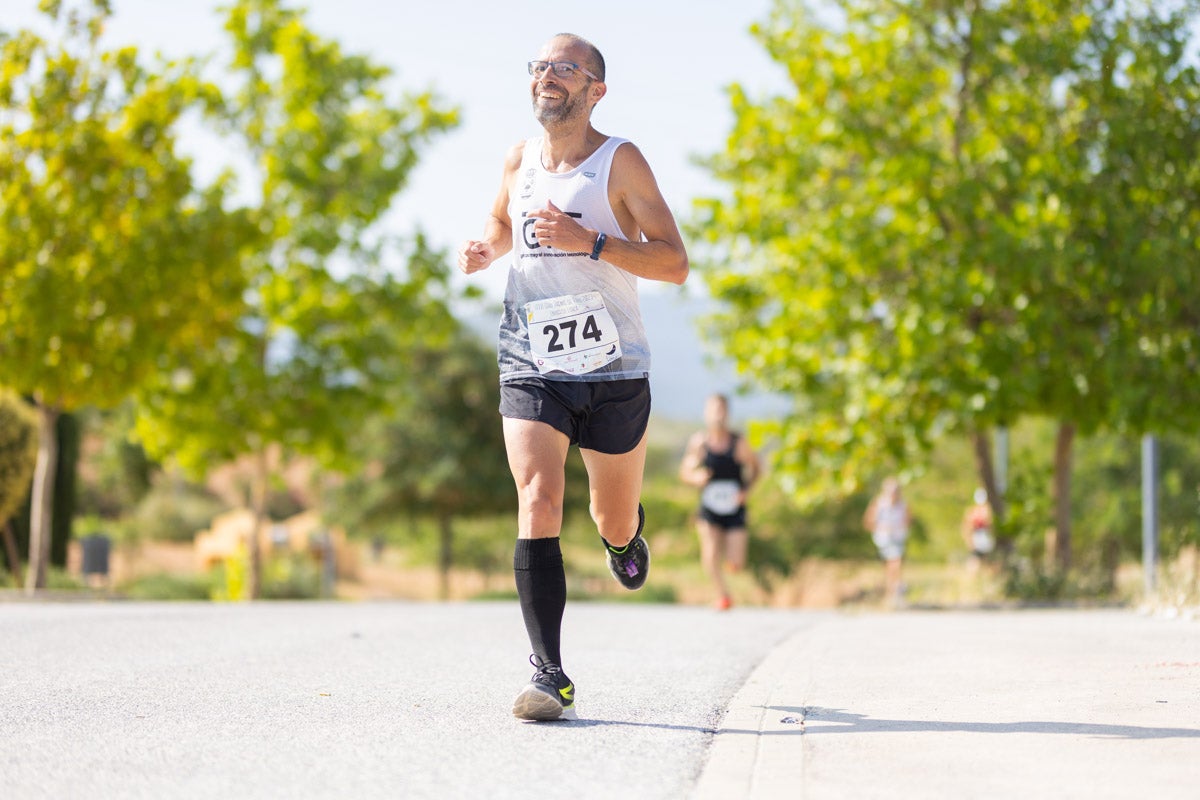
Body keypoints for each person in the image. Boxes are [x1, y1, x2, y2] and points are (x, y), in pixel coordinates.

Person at [457, 33, 688, 722]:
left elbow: (674, 263)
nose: (547, 76)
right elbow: (503, 224)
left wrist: (587, 241)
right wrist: (485, 248)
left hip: (613, 365)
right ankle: (548, 673)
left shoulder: (621, 163)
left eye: (565, 67)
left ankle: (623, 537)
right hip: (531, 359)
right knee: (538, 497)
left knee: (608, 514)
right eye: (540, 66)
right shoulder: (518, 158)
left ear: (595, 89)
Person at [679, 393, 761, 610]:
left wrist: (747, 491)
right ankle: (723, 596)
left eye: (721, 410)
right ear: (706, 413)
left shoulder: (738, 442)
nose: (717, 415)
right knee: (710, 553)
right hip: (709, 508)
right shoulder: (699, 442)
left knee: (736, 563)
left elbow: (756, 468)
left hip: (734, 507)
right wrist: (695, 477)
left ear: (727, 413)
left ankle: (730, 563)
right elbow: (685, 471)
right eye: (713, 410)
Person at [863, 477, 911, 605]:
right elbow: (868, 522)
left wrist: (900, 527)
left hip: (898, 538)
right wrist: (883, 528)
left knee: (896, 562)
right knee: (890, 566)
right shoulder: (878, 504)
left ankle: (895, 592)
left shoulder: (903, 505)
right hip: (883, 539)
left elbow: (908, 520)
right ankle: (892, 592)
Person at [961, 487, 995, 571]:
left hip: (982, 538)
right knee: (977, 560)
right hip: (980, 538)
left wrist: (969, 540)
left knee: (983, 561)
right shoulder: (985, 510)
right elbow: (968, 527)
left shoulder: (973, 511)